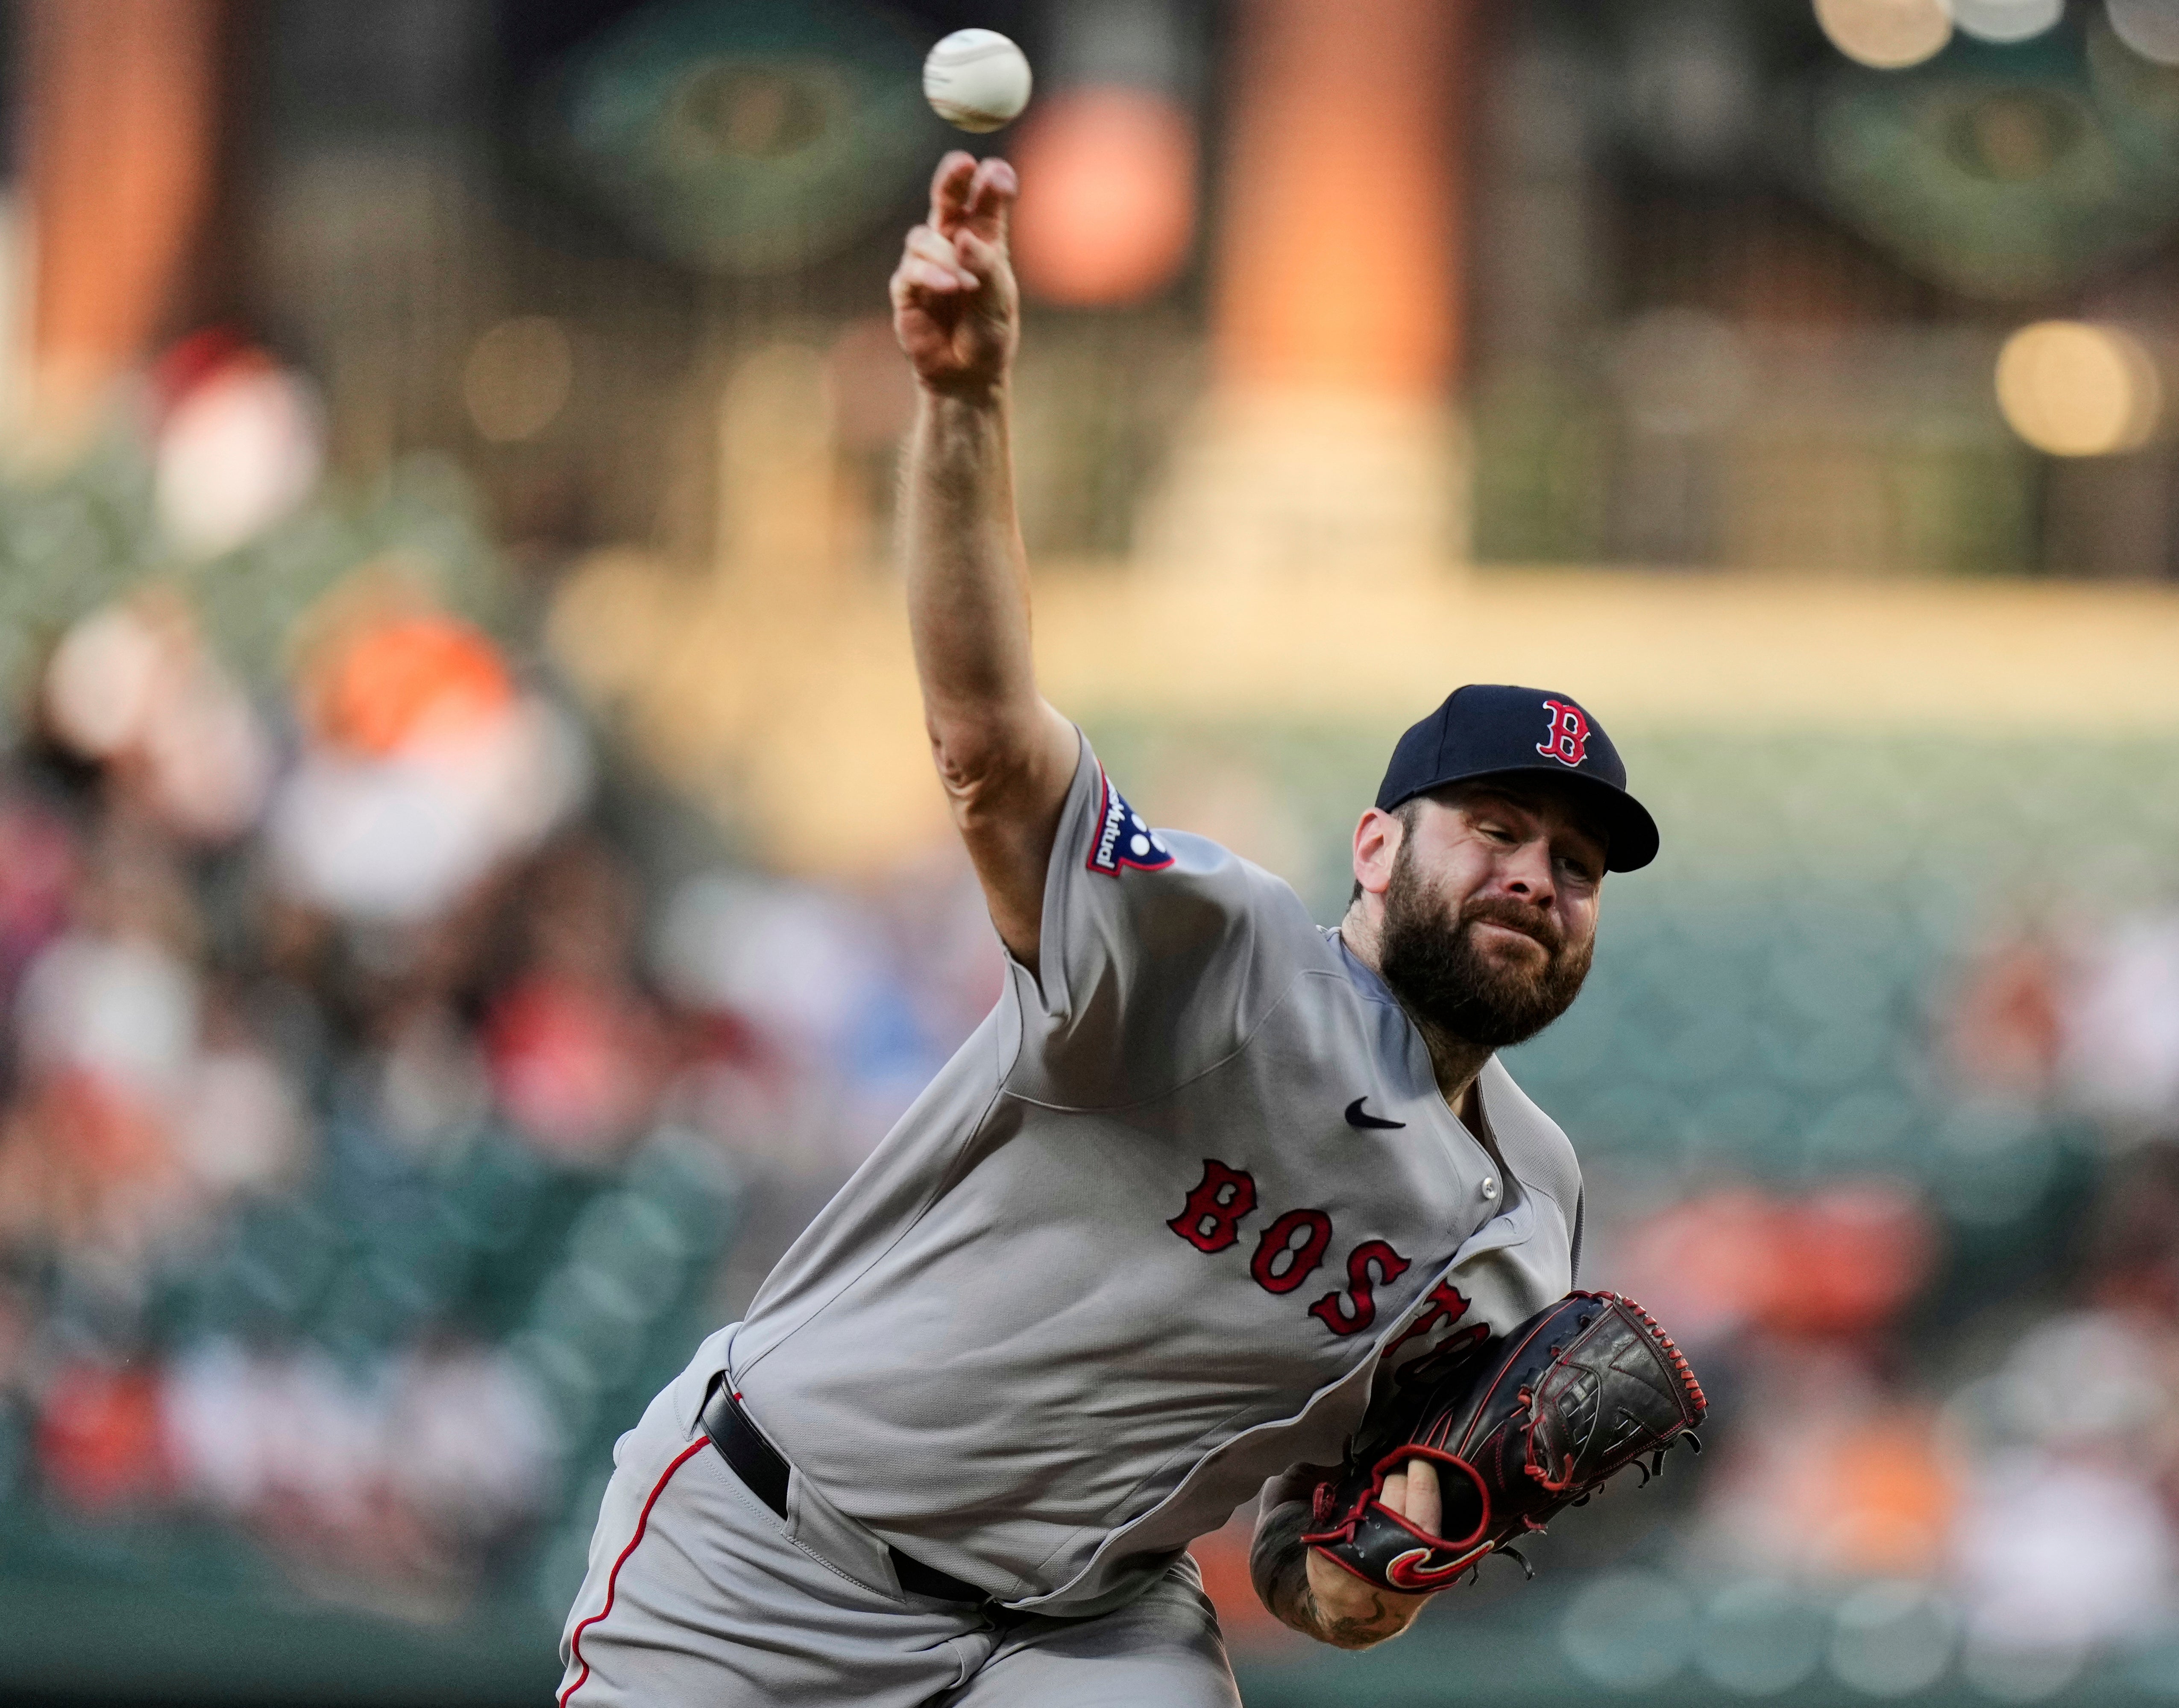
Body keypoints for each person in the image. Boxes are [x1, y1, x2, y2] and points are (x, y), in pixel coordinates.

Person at [552, 150, 1660, 1708]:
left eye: (1577, 863)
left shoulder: (1528, 1212)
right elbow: (991, 744)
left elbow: (1311, 1576)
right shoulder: (1209, 957)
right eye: (1496, 830)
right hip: (773, 1556)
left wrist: (1385, 1561)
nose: (1539, 877)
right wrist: (963, 404)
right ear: (1375, 847)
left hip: (1085, 1628)